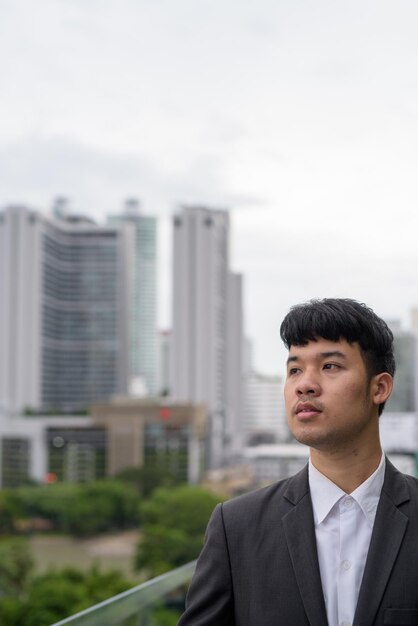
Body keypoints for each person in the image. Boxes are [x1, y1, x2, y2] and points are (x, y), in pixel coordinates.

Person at [177, 298, 418, 626]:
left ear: (379, 388)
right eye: (294, 369)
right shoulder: (236, 528)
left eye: (330, 366)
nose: (305, 384)